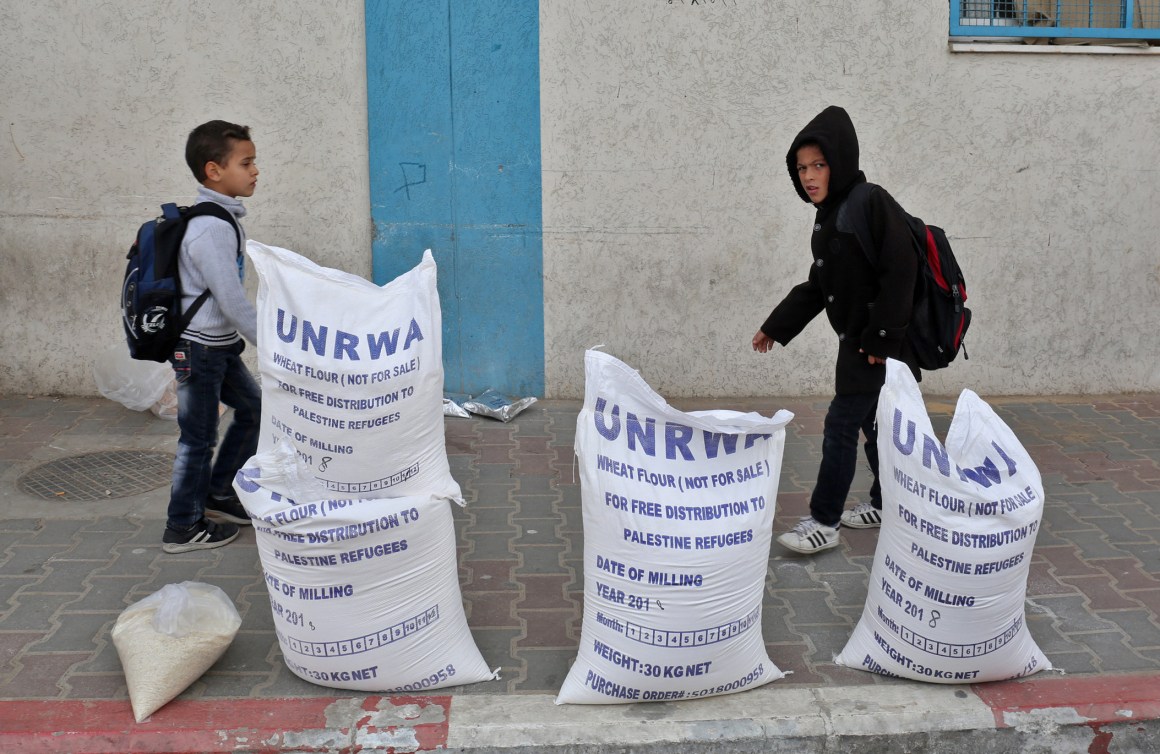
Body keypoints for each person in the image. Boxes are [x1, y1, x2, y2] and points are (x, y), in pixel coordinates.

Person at [753, 105, 920, 555]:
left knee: (841, 425)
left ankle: (824, 522)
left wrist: (882, 339)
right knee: (876, 426)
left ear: (840, 162)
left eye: (819, 165)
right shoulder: (830, 215)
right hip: (861, 342)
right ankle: (888, 503)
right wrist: (777, 325)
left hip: (878, 345)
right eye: (802, 167)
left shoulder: (869, 201)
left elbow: (901, 268)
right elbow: (818, 284)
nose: (809, 176)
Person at [161, 120, 262, 553]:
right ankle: (182, 525)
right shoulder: (211, 228)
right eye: (247, 162)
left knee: (256, 408)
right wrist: (274, 346)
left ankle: (219, 493)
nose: (256, 170)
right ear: (213, 171)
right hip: (198, 349)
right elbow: (231, 299)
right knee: (198, 438)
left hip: (215, 346)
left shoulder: (221, 218)